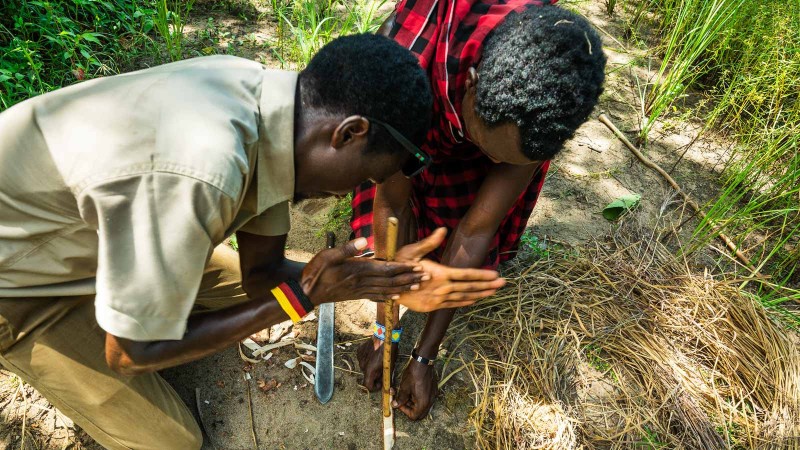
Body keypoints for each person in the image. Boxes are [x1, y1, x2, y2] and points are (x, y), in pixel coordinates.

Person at [0, 34, 506, 449]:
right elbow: (129, 352)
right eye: (364, 177)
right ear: (349, 133)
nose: (353, 191)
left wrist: (381, 282)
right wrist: (304, 297)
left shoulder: (270, 106)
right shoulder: (204, 171)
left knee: (242, 291)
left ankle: (128, 298)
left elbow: (261, 275)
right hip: (21, 287)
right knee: (170, 443)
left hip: (94, 240)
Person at [354, 3, 607, 420]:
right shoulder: (408, 71)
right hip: (423, 106)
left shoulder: (543, 115)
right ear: (470, 85)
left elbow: (474, 230)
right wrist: (387, 331)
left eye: (504, 160)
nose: (491, 160)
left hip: (489, 124)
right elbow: (394, 204)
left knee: (471, 210)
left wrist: (424, 358)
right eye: (488, 148)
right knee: (385, 176)